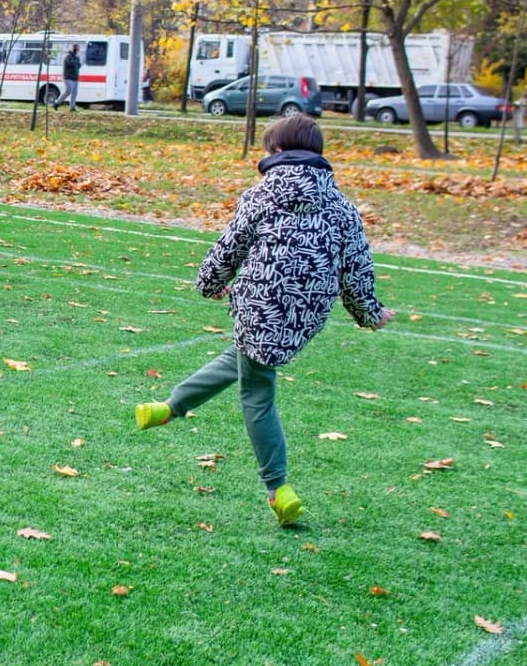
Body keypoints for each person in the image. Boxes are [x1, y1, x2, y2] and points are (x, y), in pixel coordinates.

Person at [133, 113, 393, 526]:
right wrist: (369, 313)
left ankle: (278, 489)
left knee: (257, 390)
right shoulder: (344, 208)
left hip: (260, 300)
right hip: (306, 311)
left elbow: (230, 245)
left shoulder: (260, 196)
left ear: (276, 152)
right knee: (245, 357)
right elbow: (357, 269)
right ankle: (170, 407)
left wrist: (208, 283)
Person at [57, 43, 80, 109]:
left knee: (74, 93)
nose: (77, 50)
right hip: (68, 77)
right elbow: (71, 64)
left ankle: (72, 107)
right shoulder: (68, 56)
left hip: (75, 78)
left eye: (78, 48)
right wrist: (76, 59)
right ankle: (57, 103)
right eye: (76, 48)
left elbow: (79, 65)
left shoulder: (76, 57)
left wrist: (77, 59)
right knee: (68, 91)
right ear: (73, 48)